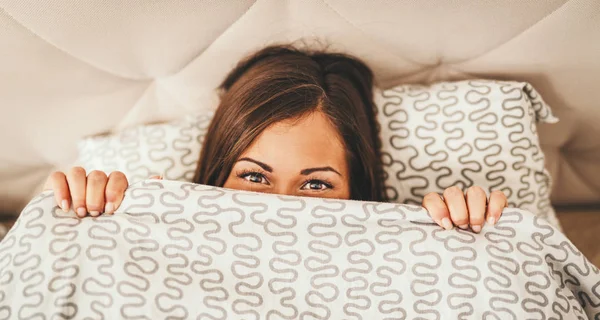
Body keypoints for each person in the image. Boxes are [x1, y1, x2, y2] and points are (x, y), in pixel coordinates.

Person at [44, 43, 507, 233]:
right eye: (254, 176)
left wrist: (462, 239)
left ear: (358, 192)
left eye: (317, 184)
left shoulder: (402, 243)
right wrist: (93, 220)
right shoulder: (155, 224)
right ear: (216, 173)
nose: (280, 206)